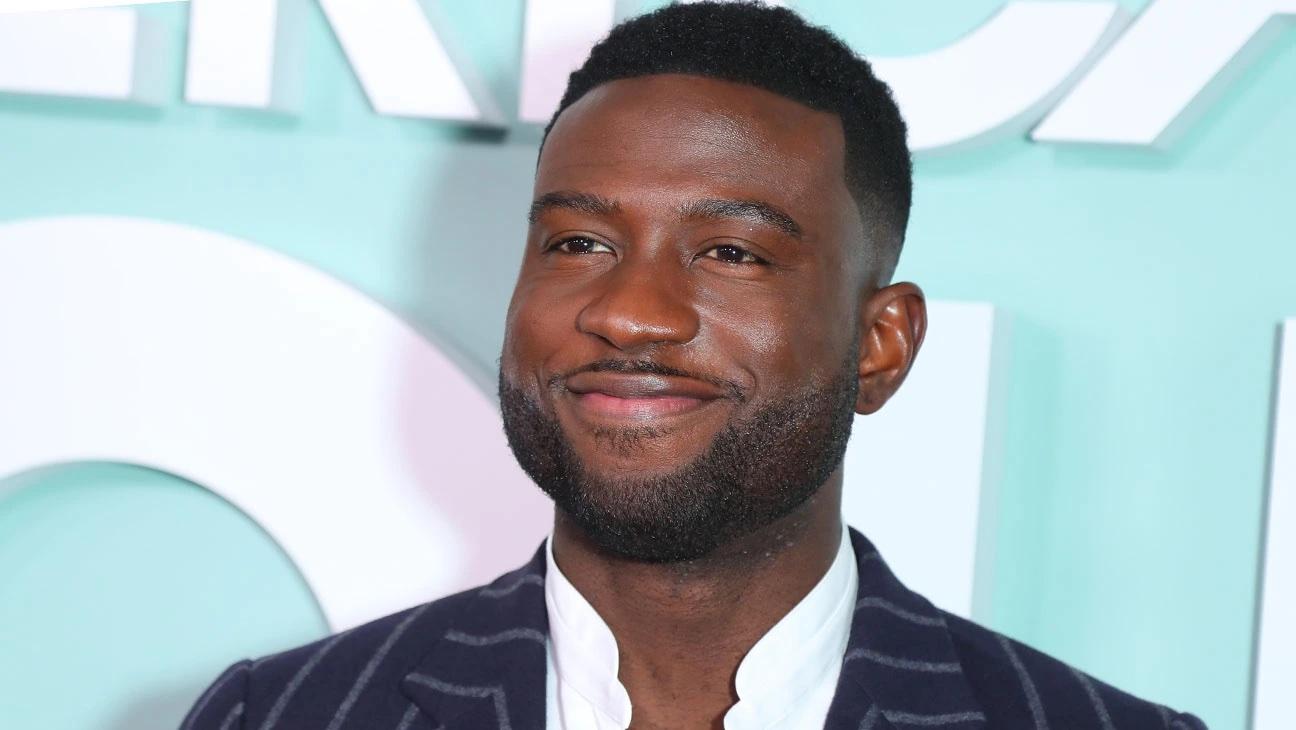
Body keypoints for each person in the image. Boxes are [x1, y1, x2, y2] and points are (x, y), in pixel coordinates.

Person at [182, 3, 1207, 728]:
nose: (628, 312)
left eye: (730, 253)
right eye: (579, 242)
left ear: (881, 343)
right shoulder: (280, 716)